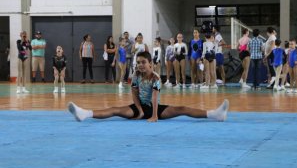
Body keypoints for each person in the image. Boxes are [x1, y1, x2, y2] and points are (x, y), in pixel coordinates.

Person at [68, 51, 229, 122]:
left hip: (155, 108)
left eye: (143, 62)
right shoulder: (136, 76)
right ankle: (85, 114)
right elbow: (134, 95)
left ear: (151, 64)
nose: (140, 65)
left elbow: (154, 97)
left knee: (182, 109)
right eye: (138, 63)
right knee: (115, 109)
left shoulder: (156, 77)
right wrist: (138, 110)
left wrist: (154, 116)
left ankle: (214, 114)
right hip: (139, 107)